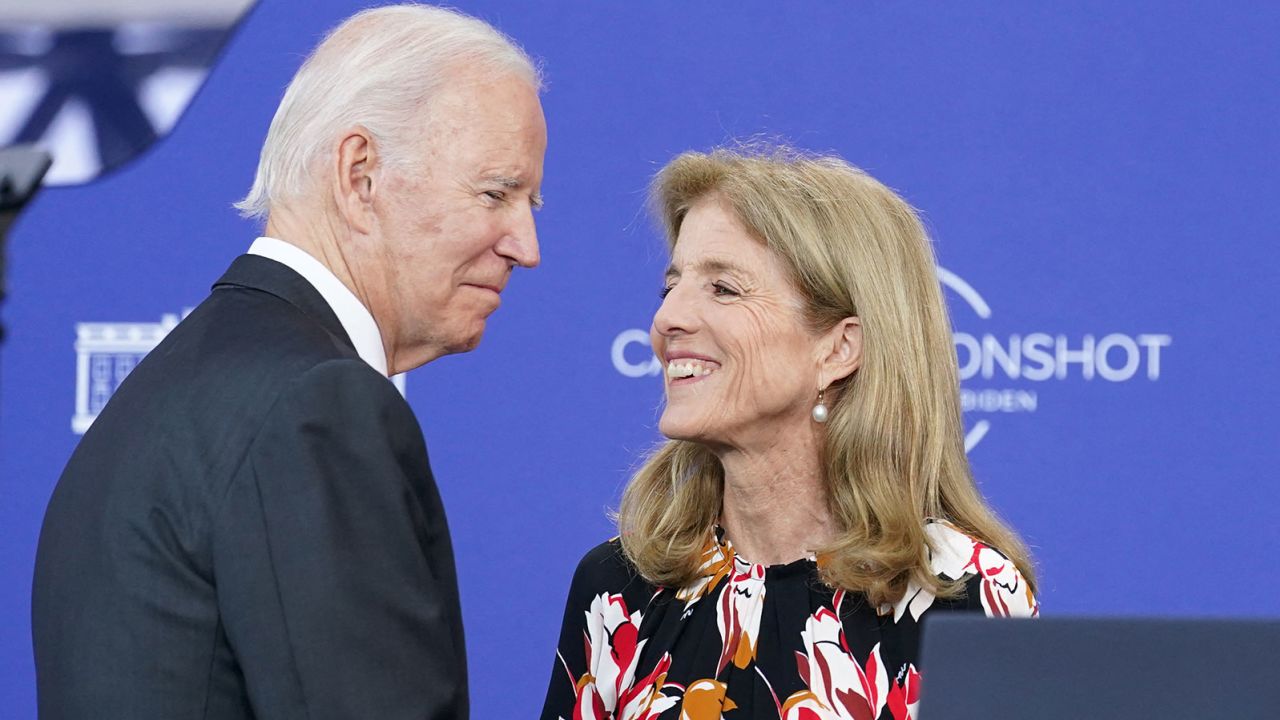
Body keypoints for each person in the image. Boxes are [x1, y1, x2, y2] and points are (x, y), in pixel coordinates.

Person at [32, 5, 545, 719]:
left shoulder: (183, 384)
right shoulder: (316, 404)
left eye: (531, 202)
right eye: (496, 193)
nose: (527, 244)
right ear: (360, 173)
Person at [541, 147, 1037, 720]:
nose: (667, 319)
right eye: (670, 286)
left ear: (838, 348)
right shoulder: (619, 589)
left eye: (723, 288)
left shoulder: (959, 596)